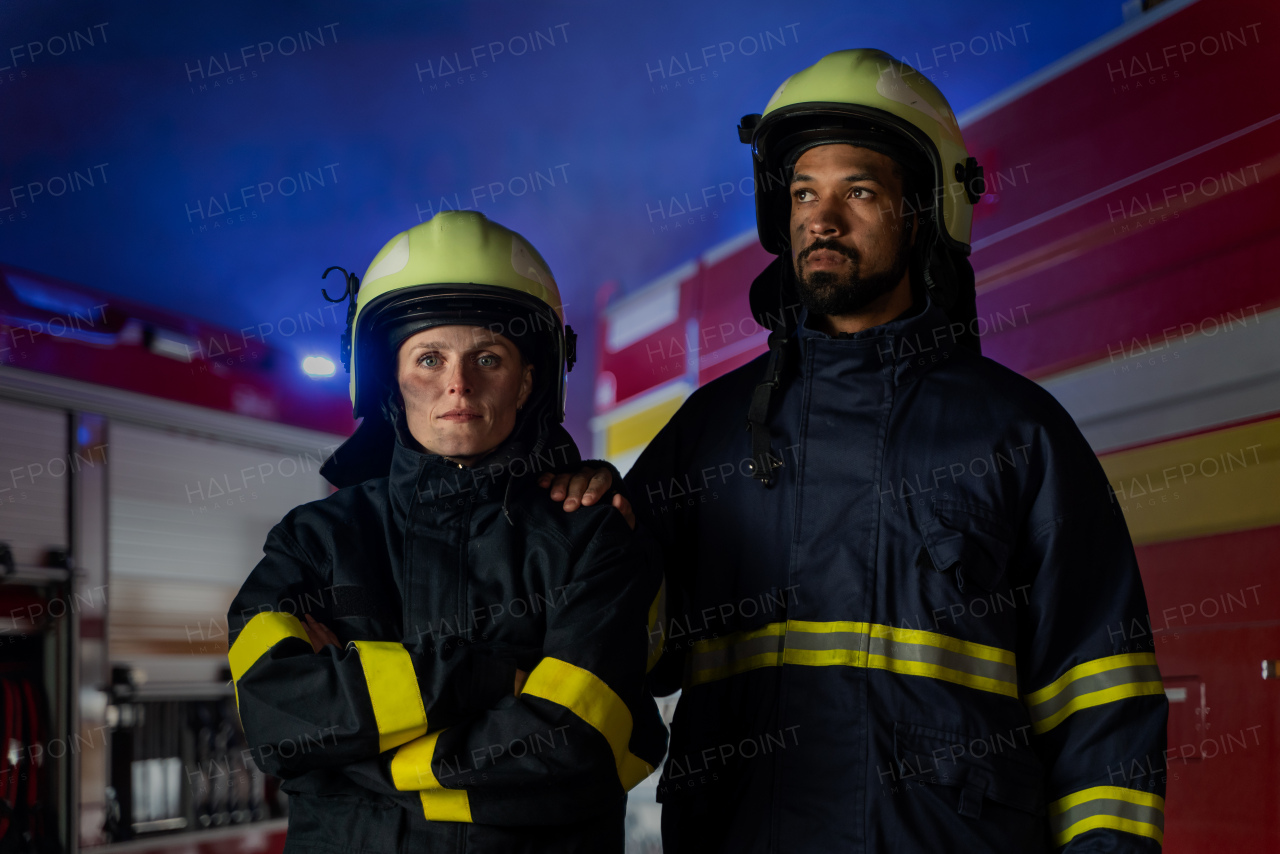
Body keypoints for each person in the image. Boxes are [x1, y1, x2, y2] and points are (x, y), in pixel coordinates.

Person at [544, 49, 1167, 852]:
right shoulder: (710, 430)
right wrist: (593, 521)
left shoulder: (1018, 434)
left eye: (858, 192)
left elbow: (1102, 696)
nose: (821, 219)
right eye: (803, 192)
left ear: (923, 211)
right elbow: (629, 647)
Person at [226, 211, 667, 854]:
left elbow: (584, 747)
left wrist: (355, 759)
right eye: (429, 358)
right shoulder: (312, 540)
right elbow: (275, 719)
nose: (457, 384)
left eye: (487, 357)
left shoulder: (591, 535)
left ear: (527, 380)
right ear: (389, 380)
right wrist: (485, 681)